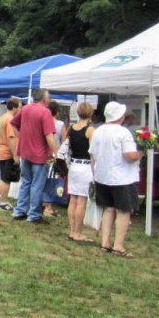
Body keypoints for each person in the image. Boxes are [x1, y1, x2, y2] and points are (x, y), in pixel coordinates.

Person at [89, 101, 143, 257]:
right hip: (122, 178)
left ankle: (105, 242)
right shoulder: (123, 133)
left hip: (102, 175)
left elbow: (92, 154)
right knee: (124, 211)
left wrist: (94, 173)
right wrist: (141, 152)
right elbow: (129, 155)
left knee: (108, 209)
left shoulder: (98, 131)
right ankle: (118, 245)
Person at [10, 88, 58, 224]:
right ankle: (34, 214)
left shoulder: (25, 109)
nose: (50, 99)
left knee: (26, 182)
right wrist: (56, 153)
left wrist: (22, 137)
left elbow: (13, 124)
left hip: (25, 151)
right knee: (37, 184)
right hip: (39, 153)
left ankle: (19, 211)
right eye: (49, 96)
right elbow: (49, 135)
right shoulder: (45, 112)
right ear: (44, 99)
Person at [66, 102, 95, 242]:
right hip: (85, 167)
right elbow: (93, 152)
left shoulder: (71, 128)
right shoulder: (90, 130)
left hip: (73, 165)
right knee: (81, 201)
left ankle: (72, 230)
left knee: (73, 200)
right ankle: (77, 232)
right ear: (91, 114)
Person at [0, 97, 21, 211]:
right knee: (6, 178)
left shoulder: (2, 117)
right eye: (20, 107)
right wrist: (15, 155)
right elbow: (11, 137)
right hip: (7, 151)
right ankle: (3, 202)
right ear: (14, 107)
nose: (21, 109)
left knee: (3, 176)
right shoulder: (11, 120)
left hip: (1, 149)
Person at [43, 100, 68, 217]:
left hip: (43, 154)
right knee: (51, 181)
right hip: (54, 156)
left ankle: (42, 203)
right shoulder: (60, 124)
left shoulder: (43, 122)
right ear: (57, 112)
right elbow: (64, 142)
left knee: (42, 180)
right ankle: (48, 207)